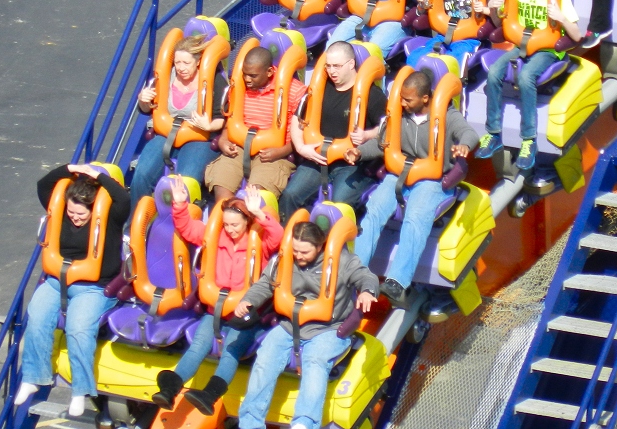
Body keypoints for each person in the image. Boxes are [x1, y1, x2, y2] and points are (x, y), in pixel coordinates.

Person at [346, 70, 479, 301]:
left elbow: (469, 133)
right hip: (399, 172)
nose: (403, 103)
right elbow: (383, 144)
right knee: (375, 210)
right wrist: (358, 153)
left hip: (431, 178)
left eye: (409, 100)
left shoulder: (445, 114)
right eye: (402, 99)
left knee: (416, 217)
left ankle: (398, 281)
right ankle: (355, 274)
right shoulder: (399, 115)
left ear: (424, 98)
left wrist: (464, 146)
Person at [152, 182, 283, 414]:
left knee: (231, 350)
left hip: (245, 313)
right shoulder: (216, 235)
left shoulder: (259, 241)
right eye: (226, 224)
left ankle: (209, 395)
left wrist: (258, 213)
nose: (230, 230)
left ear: (246, 221)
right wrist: (180, 204)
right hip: (216, 307)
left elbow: (278, 236)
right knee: (198, 346)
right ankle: (170, 389)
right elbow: (188, 229)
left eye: (235, 225)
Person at [235, 221, 378, 429]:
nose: (298, 256)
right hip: (290, 326)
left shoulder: (342, 261)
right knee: (265, 357)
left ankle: (304, 423)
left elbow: (366, 277)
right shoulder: (285, 259)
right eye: (295, 250)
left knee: (315, 360)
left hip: (327, 328)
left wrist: (367, 290)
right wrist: (248, 300)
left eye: (304, 252)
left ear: (319, 246)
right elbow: (266, 283)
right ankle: (250, 422)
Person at [14, 164, 131, 416]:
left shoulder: (110, 215)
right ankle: (33, 377)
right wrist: (71, 169)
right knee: (37, 315)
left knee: (78, 328)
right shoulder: (62, 212)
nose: (75, 218)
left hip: (93, 287)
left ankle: (80, 390)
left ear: (94, 209)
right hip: (59, 280)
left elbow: (122, 198)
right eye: (71, 212)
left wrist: (98, 177)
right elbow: (43, 185)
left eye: (81, 214)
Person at [476, 0, 582, 171]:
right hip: (521, 46)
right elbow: (499, 24)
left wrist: (561, 17)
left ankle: (529, 140)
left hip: (546, 49)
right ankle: (494, 132)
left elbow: (577, 35)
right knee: (494, 72)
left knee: (526, 78)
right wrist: (495, 8)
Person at [281, 41, 387, 222]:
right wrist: (300, 147)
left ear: (351, 64)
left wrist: (367, 135)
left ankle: (339, 244)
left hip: (350, 162)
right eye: (328, 66)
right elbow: (297, 120)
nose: (331, 71)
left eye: (337, 66)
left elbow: (387, 130)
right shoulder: (319, 89)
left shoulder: (372, 94)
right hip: (316, 157)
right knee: (290, 195)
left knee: (339, 204)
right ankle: (290, 243)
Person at [131, 35, 226, 212]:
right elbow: (147, 108)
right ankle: (135, 224)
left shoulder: (213, 80)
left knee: (185, 181)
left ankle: (181, 226)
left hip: (198, 136)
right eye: (177, 62)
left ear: (198, 62)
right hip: (167, 131)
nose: (181, 68)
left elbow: (223, 118)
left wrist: (209, 126)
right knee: (142, 175)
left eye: (186, 63)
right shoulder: (167, 76)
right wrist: (143, 101)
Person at [205, 46, 305, 202]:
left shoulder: (294, 91)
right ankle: (228, 221)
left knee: (255, 197)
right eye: (244, 74)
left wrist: (282, 151)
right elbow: (230, 119)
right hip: (239, 147)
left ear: (270, 72)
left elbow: (302, 133)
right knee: (221, 185)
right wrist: (224, 140)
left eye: (253, 76)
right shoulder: (239, 86)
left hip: (272, 154)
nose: (247, 79)